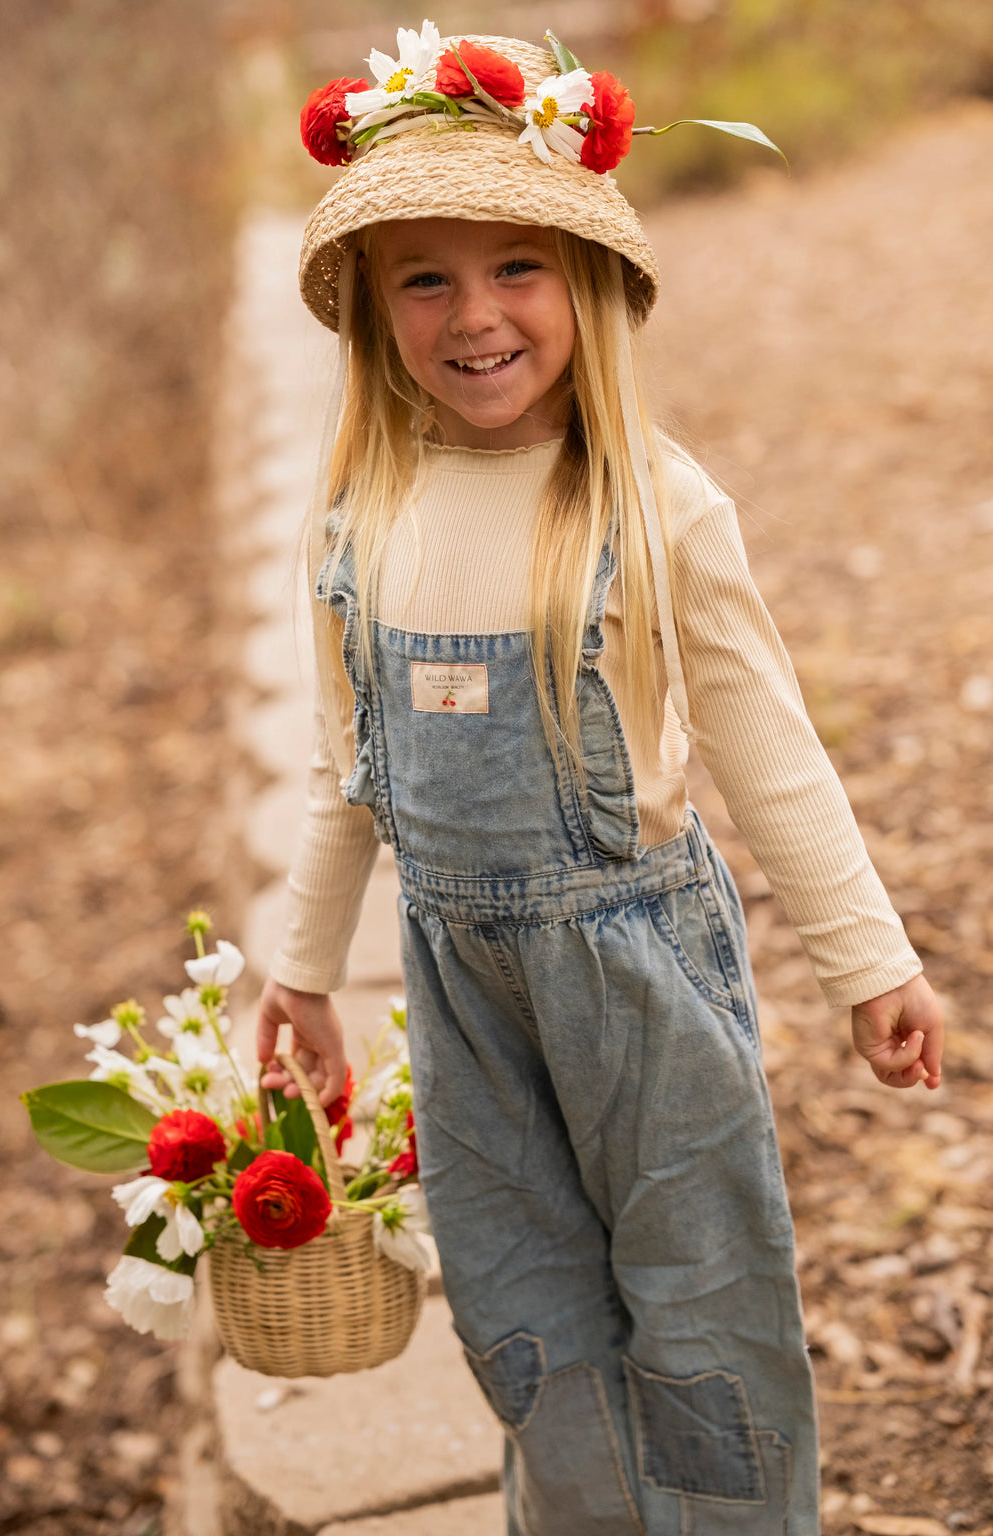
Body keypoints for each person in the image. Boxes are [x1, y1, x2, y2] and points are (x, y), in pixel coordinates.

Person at [257, 25, 944, 1536]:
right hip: (460, 987)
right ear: (371, 310)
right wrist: (302, 968)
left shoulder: (653, 503)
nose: (474, 314)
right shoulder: (363, 515)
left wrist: (867, 958)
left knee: (699, 1284)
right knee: (522, 1298)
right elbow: (344, 767)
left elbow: (766, 741)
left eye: (517, 267)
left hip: (639, 975)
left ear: (585, 282)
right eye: (423, 278)